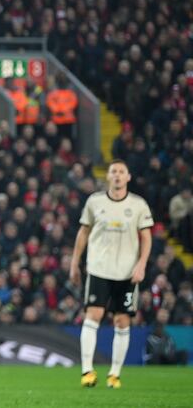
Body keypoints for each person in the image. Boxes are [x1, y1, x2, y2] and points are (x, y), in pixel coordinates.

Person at [70, 159, 153, 388]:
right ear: (108, 177)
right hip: (99, 268)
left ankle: (114, 374)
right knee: (93, 315)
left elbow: (146, 237)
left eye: (121, 172)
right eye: (113, 171)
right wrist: (74, 263)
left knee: (122, 321)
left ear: (128, 177)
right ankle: (87, 371)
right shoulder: (95, 202)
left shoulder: (138, 205)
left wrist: (141, 265)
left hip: (127, 272)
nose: (117, 175)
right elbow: (83, 232)